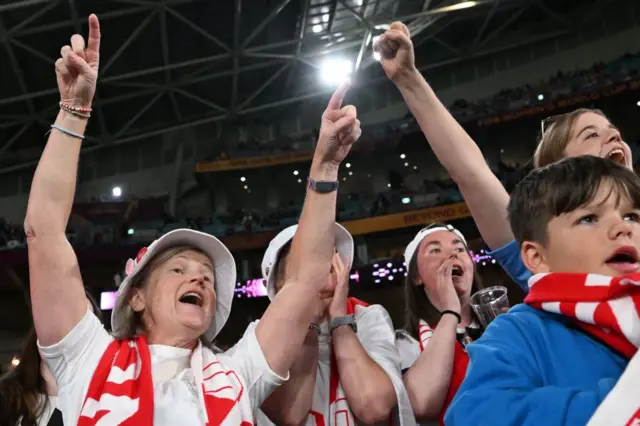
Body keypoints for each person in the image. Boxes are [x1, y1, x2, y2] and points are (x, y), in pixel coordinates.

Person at [25, 14, 362, 425]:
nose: (200, 279)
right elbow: (44, 233)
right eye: (179, 269)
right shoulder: (87, 357)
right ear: (136, 297)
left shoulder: (239, 372)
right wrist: (74, 111)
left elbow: (304, 281)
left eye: (207, 275)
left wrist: (325, 169)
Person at [374, 22, 633, 292]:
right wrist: (408, 78)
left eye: (614, 133)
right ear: (558, 170)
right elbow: (471, 174)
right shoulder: (544, 250)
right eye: (591, 135)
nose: (613, 138)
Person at [445, 156, 640, 425]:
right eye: (589, 218)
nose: (623, 227)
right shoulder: (521, 330)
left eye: (632, 215)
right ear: (537, 257)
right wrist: (623, 402)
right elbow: (476, 415)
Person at [243, 224, 414, 426]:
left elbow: (374, 408)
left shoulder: (368, 317)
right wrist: (310, 323)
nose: (323, 278)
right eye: (307, 270)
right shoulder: (260, 334)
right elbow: (290, 415)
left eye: (330, 266)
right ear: (277, 284)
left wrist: (339, 323)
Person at [395, 223, 483, 425]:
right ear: (417, 276)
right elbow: (421, 404)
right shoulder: (406, 344)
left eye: (459, 249)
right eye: (435, 250)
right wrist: (450, 312)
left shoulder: (501, 325)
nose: (452, 255)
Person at [0, 292, 101, 426]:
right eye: (65, 319)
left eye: (82, 326)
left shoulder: (103, 403)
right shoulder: (5, 395)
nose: (72, 335)